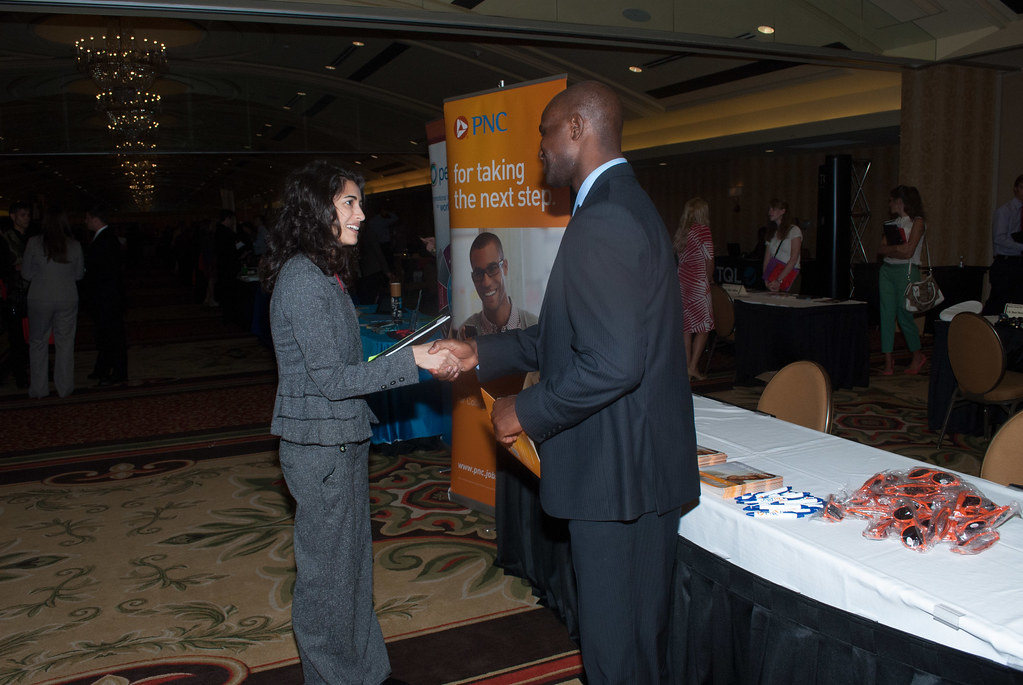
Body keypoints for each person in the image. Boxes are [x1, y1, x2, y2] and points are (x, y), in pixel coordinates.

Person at [432, 81, 699, 684]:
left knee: (615, 652)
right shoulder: (623, 205)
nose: (540, 148)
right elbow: (561, 338)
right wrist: (476, 351)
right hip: (632, 466)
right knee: (636, 646)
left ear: (577, 129)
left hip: (616, 474)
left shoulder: (604, 218)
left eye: (546, 131)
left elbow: (614, 362)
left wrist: (524, 411)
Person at [258, 160, 460, 685]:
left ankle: (366, 672)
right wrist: (413, 362)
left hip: (337, 441)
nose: (361, 214)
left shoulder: (320, 272)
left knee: (351, 570)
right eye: (349, 202)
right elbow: (331, 379)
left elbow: (339, 366)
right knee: (328, 582)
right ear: (316, 211)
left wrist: (407, 354)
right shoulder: (304, 281)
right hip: (321, 447)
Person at [21, 206, 84, 398]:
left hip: (40, 298)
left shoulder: (33, 243)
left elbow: (26, 273)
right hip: (67, 298)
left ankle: (39, 390)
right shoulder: (74, 245)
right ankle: (64, 388)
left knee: (38, 343)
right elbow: (79, 275)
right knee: (65, 343)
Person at [878, 184, 928, 376]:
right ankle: (888, 360)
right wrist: (897, 249)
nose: (889, 204)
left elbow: (909, 251)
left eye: (891, 200)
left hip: (906, 272)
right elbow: (881, 250)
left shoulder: (917, 222)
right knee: (886, 314)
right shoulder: (892, 223)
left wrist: (897, 250)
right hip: (887, 271)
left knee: (904, 313)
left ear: (900, 201)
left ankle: (917, 354)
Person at [458, 232, 537, 339]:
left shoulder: (534, 328)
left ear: (505, 267)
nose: (486, 282)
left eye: (492, 268)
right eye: (478, 273)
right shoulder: (465, 332)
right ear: (473, 278)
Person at [84, 204, 128, 385]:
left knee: (112, 336)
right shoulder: (105, 238)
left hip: (107, 298)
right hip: (108, 297)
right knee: (106, 336)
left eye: (87, 218)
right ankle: (103, 368)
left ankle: (117, 372)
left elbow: (103, 273)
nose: (85, 221)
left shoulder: (105, 240)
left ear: (95, 219)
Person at [674, 198, 714, 380]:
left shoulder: (682, 232)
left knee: (686, 328)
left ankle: (686, 367)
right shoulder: (703, 231)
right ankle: (693, 367)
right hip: (698, 284)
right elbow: (709, 260)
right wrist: (710, 279)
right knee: (704, 327)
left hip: (682, 283)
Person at [1, 201, 33, 387]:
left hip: (35, 292)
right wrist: (15, 269)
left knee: (36, 334)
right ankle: (20, 375)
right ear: (13, 216)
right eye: (22, 215)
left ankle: (38, 369)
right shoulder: (5, 239)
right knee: (17, 337)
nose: (26, 219)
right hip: (15, 294)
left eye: (28, 215)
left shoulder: (33, 237)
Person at [984, 174, 1023, 316]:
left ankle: (1015, 336)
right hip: (1005, 264)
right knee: (998, 303)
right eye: (1022, 188)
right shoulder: (1005, 211)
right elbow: (999, 239)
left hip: (1019, 264)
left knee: (1019, 304)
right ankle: (985, 334)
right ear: (1016, 189)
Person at [762, 198, 802, 292]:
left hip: (789, 274)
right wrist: (766, 277)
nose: (770, 212)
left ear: (783, 211)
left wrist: (778, 280)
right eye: (769, 209)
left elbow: (793, 259)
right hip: (773, 273)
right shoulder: (772, 233)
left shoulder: (794, 230)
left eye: (773, 209)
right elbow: (767, 259)